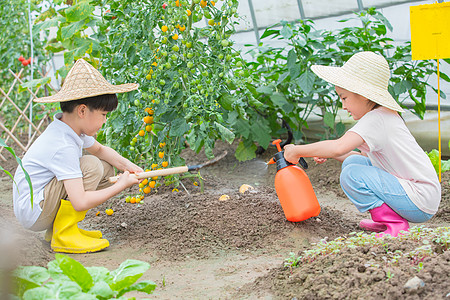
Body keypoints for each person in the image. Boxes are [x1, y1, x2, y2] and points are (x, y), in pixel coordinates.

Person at [283, 51, 441, 237]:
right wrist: (328, 153)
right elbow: (352, 155)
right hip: (420, 196)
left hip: (419, 200)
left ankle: (395, 224)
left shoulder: (376, 119)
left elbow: (338, 146)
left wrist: (296, 151)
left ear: (364, 95)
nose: (343, 105)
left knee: (352, 174)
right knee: (353, 164)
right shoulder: (382, 116)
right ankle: (385, 221)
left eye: (344, 98)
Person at [13, 58, 142, 253]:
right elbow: (80, 201)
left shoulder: (70, 129)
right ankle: (64, 234)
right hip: (35, 213)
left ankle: (59, 230)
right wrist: (122, 185)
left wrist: (128, 167)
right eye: (104, 115)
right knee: (91, 166)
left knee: (105, 168)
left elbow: (100, 150)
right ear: (82, 110)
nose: (105, 121)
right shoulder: (62, 145)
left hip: (39, 203)